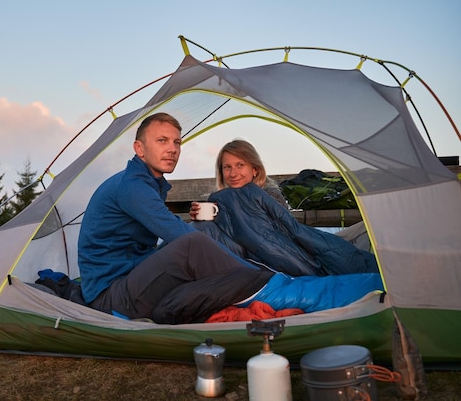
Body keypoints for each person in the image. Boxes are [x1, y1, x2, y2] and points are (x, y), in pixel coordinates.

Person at [78, 115, 382, 325]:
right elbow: (178, 237)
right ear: (139, 149)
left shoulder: (146, 184)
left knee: (195, 249)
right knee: (192, 244)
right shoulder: (132, 187)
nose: (172, 148)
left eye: (177, 142)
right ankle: (270, 286)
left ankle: (262, 282)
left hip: (130, 280)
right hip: (112, 295)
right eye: (161, 141)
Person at [189, 139, 379, 276]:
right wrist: (202, 217)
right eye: (227, 167)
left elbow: (278, 237)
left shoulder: (269, 196)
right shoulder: (215, 202)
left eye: (240, 165)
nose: (233, 173)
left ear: (254, 169)